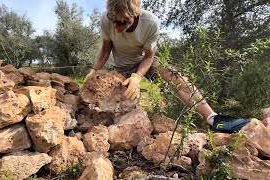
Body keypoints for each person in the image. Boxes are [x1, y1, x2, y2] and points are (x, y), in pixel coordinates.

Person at [83, 0, 257, 133]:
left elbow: (149, 56)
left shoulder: (150, 22)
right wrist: (94, 71)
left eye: (122, 22)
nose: (115, 26)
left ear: (135, 15)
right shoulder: (106, 20)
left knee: (172, 73)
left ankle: (214, 119)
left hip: (142, 62)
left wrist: (137, 77)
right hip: (119, 67)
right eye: (112, 20)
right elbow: (106, 49)